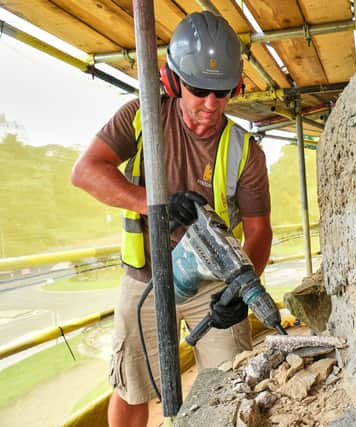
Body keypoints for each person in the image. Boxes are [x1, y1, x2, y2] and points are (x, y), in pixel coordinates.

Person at [70, 11, 272, 427]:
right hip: (145, 280)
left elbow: (258, 230)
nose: (211, 105)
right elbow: (86, 171)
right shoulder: (140, 116)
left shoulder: (244, 150)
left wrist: (237, 293)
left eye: (223, 92)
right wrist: (152, 202)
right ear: (172, 81)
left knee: (231, 389)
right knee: (131, 389)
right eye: (199, 90)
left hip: (213, 287)